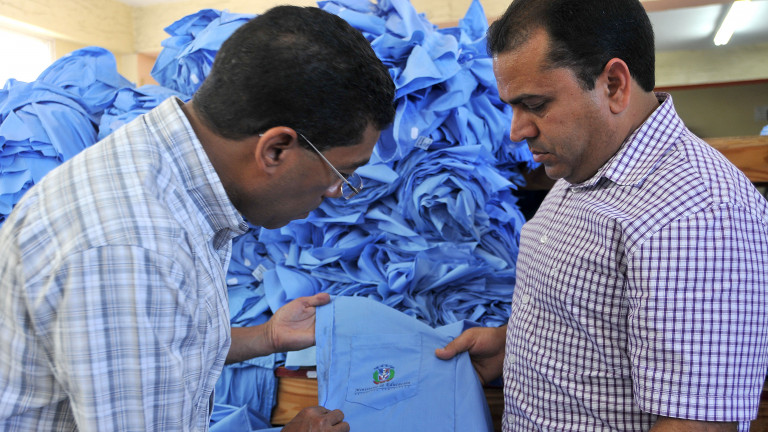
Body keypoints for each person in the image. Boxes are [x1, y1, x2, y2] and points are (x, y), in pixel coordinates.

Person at [0, 5, 394, 432]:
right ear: (275, 150)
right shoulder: (132, 246)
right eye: (342, 173)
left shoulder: (170, 179)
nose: (337, 192)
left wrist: (267, 337)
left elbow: (163, 345)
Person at [437, 0, 768, 430]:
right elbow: (592, 321)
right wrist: (508, 345)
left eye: (535, 104)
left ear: (613, 84)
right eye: (512, 107)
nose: (516, 131)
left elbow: (697, 423)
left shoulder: (697, 215)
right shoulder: (584, 167)